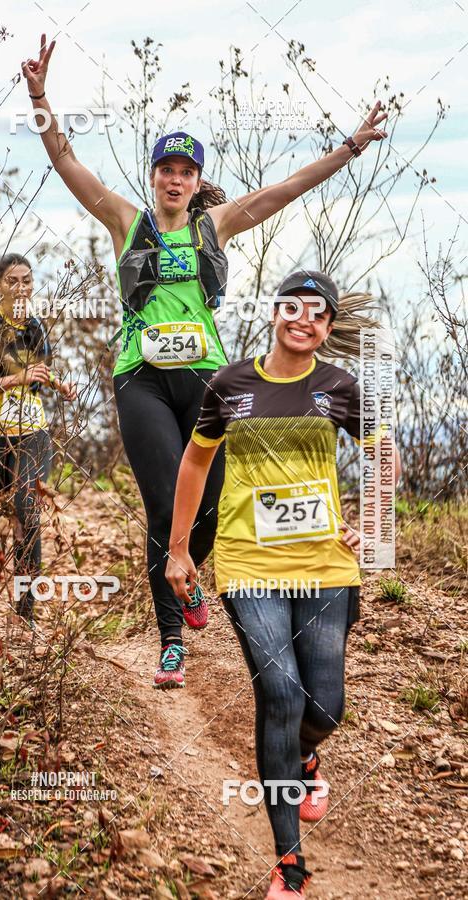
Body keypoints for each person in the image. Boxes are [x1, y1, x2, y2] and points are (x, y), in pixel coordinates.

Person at [21, 34, 388, 686]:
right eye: (167, 169)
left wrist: (351, 146)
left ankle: (190, 571)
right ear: (155, 176)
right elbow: (67, 161)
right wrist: (41, 96)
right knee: (166, 503)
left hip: (208, 381)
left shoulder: (216, 225)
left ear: (196, 183)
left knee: (211, 502)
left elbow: (290, 186)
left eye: (186, 172)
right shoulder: (125, 222)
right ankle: (171, 639)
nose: (176, 179)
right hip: (140, 377)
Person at [166, 271, 401, 896]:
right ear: (275, 312)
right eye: (293, 307)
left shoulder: (339, 386)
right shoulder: (230, 384)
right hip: (250, 563)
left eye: (318, 314)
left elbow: (385, 454)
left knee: (324, 705)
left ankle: (304, 756)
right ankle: (289, 864)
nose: (304, 320)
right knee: (281, 693)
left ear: (327, 326)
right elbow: (195, 460)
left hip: (325, 565)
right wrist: (179, 549)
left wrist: (372, 523)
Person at [0, 253, 76, 622]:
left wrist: (61, 385)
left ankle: (25, 610)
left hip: (32, 431)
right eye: (12, 281)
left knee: (27, 513)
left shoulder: (36, 325)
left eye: (27, 281)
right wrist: (15, 379)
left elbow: (38, 375)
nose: (20, 288)